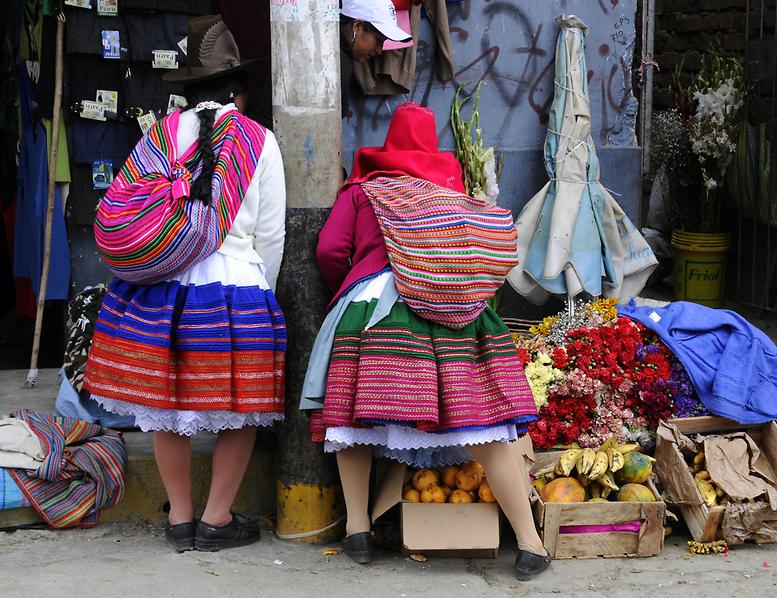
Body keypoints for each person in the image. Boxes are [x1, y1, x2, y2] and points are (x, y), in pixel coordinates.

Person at [300, 102, 552, 581]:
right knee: (482, 424)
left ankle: (357, 530)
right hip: (453, 312)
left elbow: (330, 249)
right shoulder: (453, 196)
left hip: (373, 312)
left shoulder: (364, 192)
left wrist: (353, 279)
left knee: (354, 420)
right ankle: (530, 542)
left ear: (388, 144)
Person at [84, 15, 286, 553]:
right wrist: (265, 291)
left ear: (190, 89)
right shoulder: (260, 140)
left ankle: (180, 515)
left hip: (161, 287)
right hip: (236, 286)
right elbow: (272, 235)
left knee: (166, 403)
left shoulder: (161, 134)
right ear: (238, 92)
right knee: (243, 405)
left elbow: (134, 204)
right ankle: (217, 519)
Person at [339, 0, 413, 118]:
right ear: (357, 26)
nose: (379, 50)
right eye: (378, 40)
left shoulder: (341, 59)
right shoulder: (336, 64)